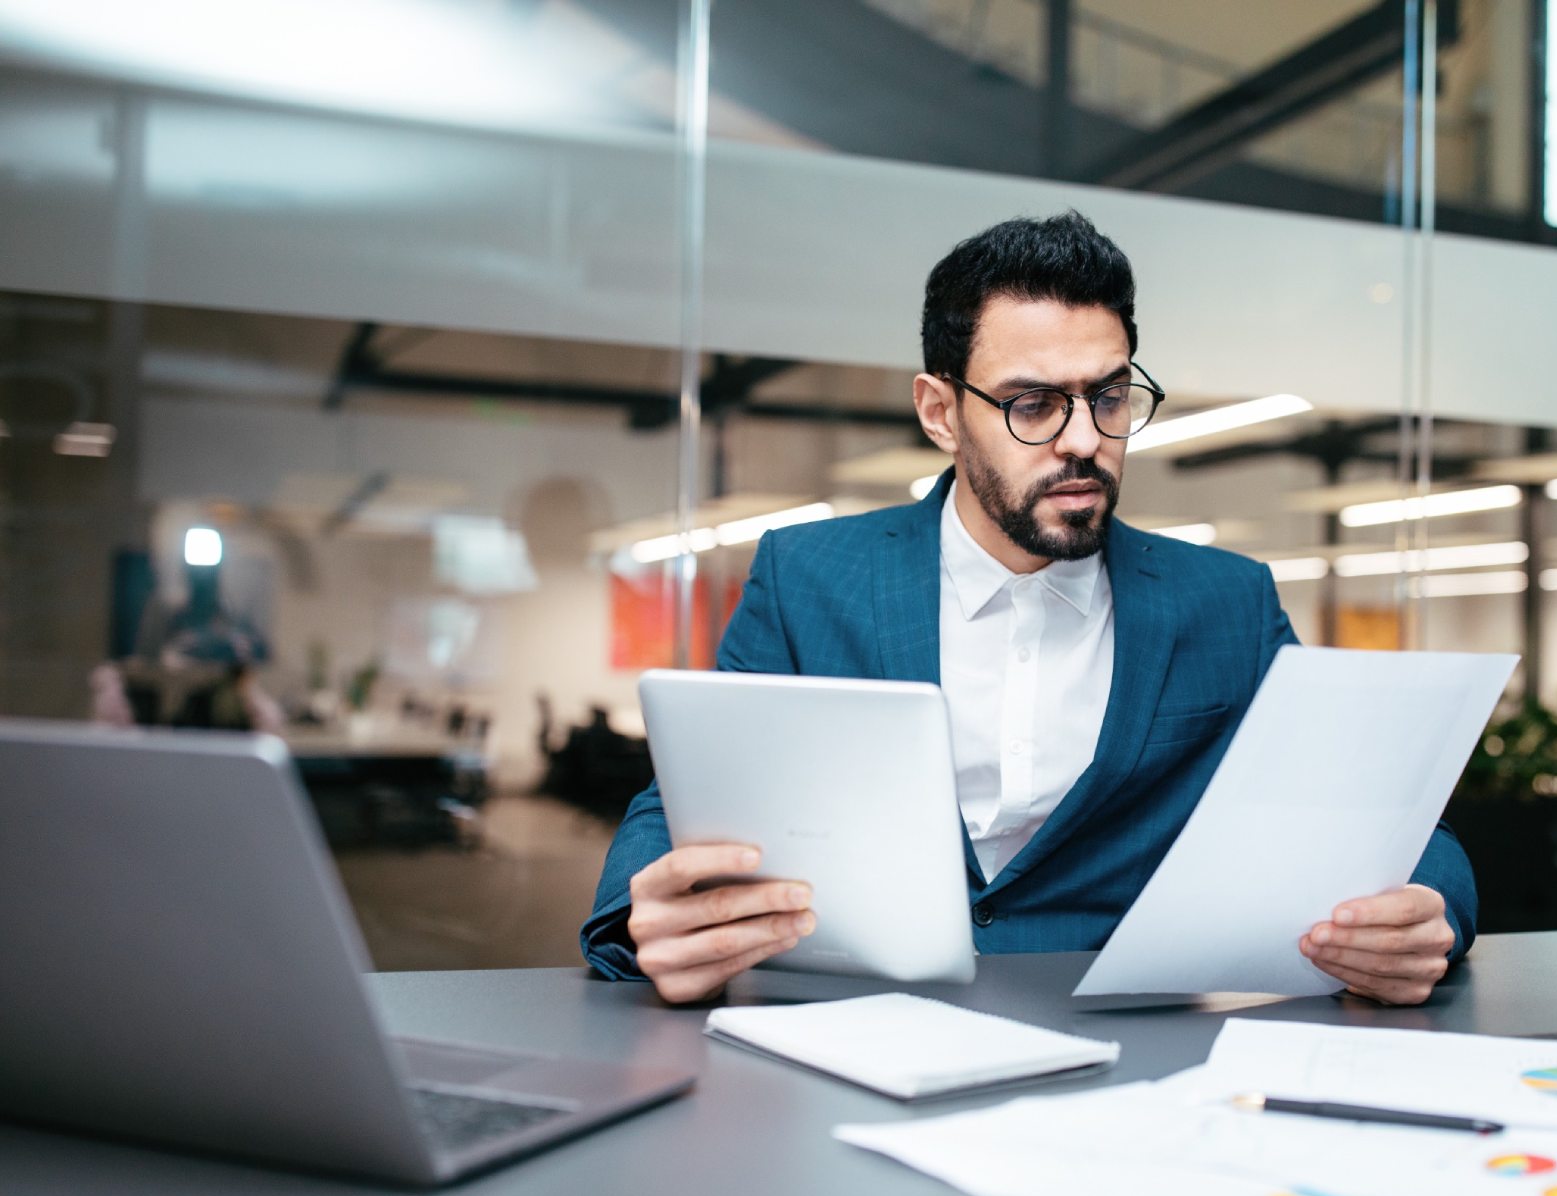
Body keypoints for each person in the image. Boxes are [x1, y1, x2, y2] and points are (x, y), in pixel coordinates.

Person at [582, 211, 1475, 1006]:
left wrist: (1427, 911)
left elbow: (1378, 817)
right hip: (858, 1026)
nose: (1085, 439)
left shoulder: (1226, 602)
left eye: (1111, 395)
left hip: (1130, 1042)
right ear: (940, 410)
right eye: (1033, 404)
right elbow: (682, 802)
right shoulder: (810, 576)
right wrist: (643, 917)